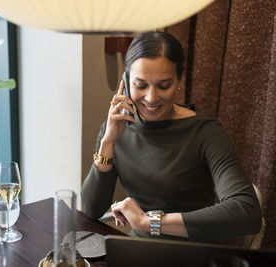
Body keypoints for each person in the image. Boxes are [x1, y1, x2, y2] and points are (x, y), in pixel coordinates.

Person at [81, 31, 261, 242]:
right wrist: (108, 142)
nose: (151, 97)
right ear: (127, 81)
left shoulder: (205, 131)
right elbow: (93, 209)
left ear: (179, 80)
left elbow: (247, 212)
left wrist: (150, 223)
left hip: (192, 252)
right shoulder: (115, 128)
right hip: (137, 252)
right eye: (140, 85)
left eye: (163, 85)